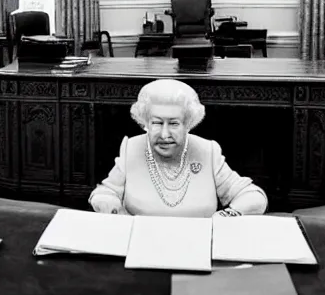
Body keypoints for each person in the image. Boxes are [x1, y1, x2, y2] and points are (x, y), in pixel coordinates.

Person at [89, 79, 268, 217]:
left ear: (187, 124)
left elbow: (254, 197)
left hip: (198, 250)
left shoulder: (207, 151)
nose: (164, 134)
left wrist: (228, 215)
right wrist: (108, 204)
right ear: (145, 123)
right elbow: (105, 192)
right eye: (157, 123)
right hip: (141, 248)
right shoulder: (131, 148)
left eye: (174, 124)